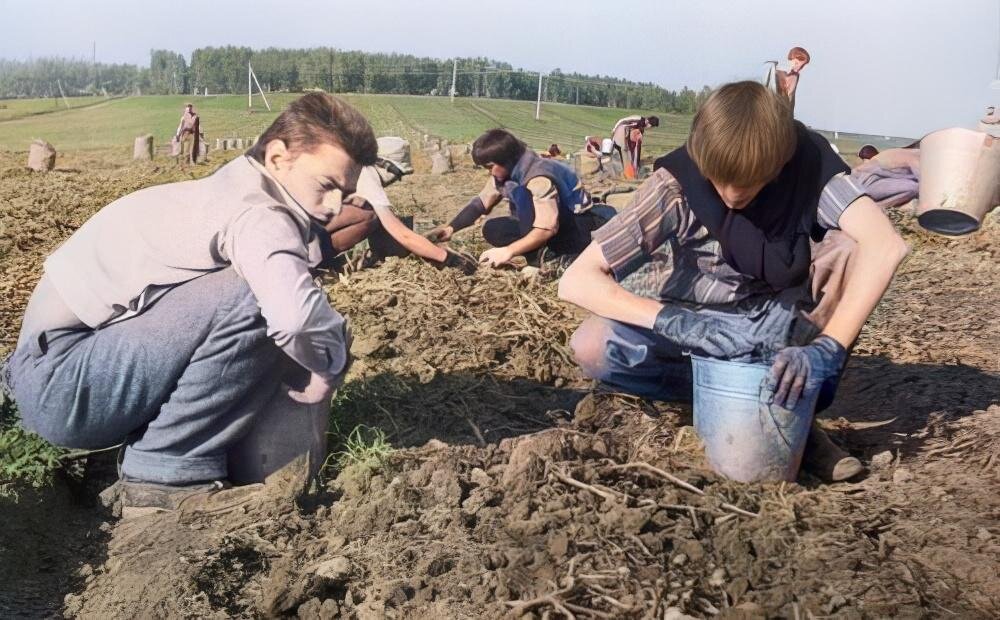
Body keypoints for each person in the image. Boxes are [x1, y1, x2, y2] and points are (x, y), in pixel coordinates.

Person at [1, 93, 377, 513]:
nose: (333, 207)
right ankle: (166, 474)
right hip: (63, 384)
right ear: (277, 157)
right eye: (326, 185)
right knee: (257, 294)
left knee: (264, 295)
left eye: (343, 192)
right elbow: (294, 319)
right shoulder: (259, 213)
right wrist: (328, 365)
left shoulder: (235, 186)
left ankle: (125, 454)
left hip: (56, 373)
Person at [558, 81, 909, 482]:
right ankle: (730, 404)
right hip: (689, 318)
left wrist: (828, 348)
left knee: (850, 248)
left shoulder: (809, 168)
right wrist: (674, 321)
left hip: (774, 323)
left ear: (778, 165)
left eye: (747, 183)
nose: (729, 194)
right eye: (717, 179)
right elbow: (576, 281)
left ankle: (794, 413)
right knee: (592, 346)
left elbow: (887, 246)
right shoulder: (675, 185)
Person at [425, 129, 613, 267]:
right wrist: (451, 228)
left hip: (578, 226)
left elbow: (547, 228)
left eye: (490, 166)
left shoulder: (539, 177)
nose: (489, 172)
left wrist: (508, 251)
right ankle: (540, 253)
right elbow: (481, 202)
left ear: (506, 160)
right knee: (492, 228)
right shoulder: (508, 172)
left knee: (523, 195)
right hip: (549, 226)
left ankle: (551, 261)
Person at [313, 164, 477, 274]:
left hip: (301, 227)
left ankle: (316, 259)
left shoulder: (352, 167)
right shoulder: (367, 176)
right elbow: (402, 234)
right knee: (369, 216)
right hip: (301, 233)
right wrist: (447, 258)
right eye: (397, 174)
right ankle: (313, 262)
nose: (396, 179)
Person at [765, 47, 810, 112]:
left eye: (803, 66)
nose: (801, 68)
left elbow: (790, 100)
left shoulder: (794, 76)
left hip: (782, 110)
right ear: (794, 59)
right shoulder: (773, 69)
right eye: (800, 64)